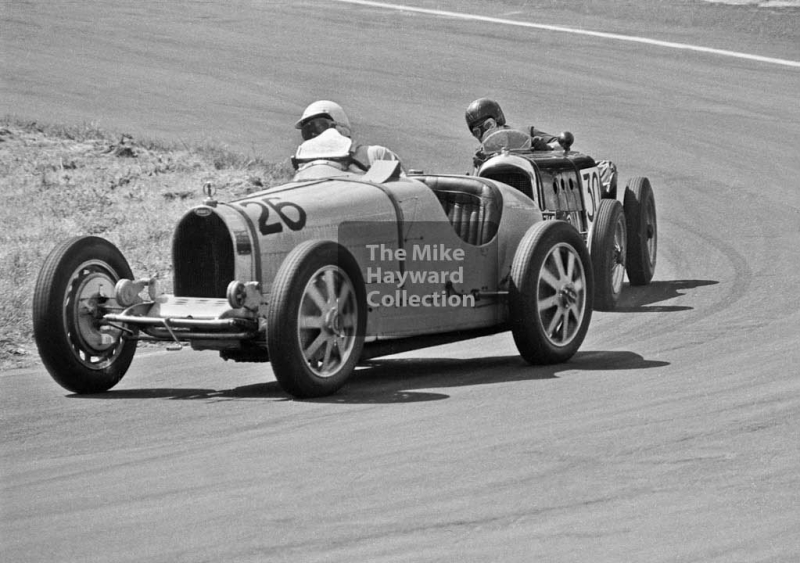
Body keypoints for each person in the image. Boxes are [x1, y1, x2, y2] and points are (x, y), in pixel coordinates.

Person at [294, 100, 403, 172]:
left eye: (320, 127)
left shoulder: (374, 155)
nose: (314, 134)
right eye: (307, 131)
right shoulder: (304, 167)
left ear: (339, 125)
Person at [465, 97, 560, 151]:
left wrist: (547, 147)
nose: (485, 133)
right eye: (477, 132)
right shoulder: (481, 153)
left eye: (488, 125)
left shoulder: (527, 132)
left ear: (498, 120)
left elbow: (562, 145)